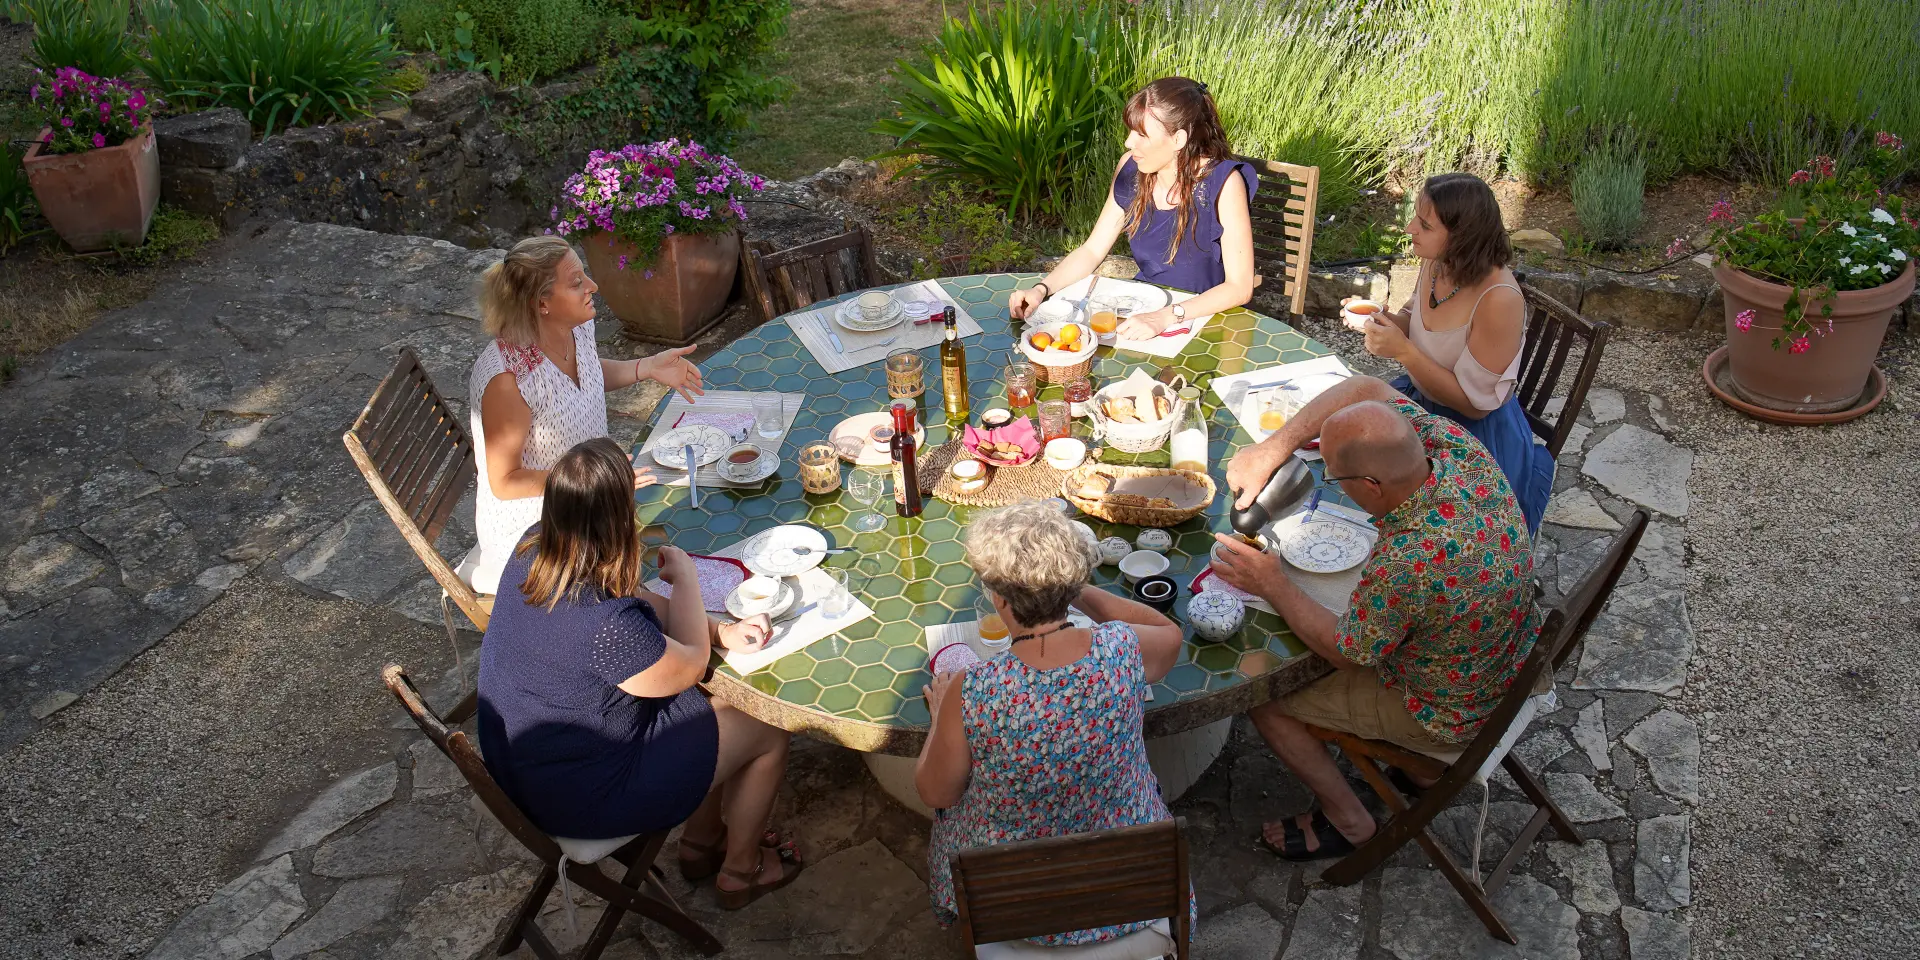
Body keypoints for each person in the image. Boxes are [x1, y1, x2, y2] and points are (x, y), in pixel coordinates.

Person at [1214, 375, 1539, 860]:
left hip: (1452, 711)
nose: (1329, 481)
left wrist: (1271, 583)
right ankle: (1424, 774)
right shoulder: (1455, 448)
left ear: (1370, 484)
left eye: (1334, 476)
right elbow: (1365, 386)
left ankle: (1349, 819)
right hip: (1512, 659)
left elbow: (1347, 651)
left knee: (1258, 686)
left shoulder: (1408, 560)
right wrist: (1273, 448)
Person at [477, 438, 803, 908]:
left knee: (721, 707)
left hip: (527, 767)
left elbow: (631, 597)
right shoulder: (606, 629)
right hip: (582, 793)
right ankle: (741, 871)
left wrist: (721, 631)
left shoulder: (538, 545)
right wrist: (687, 579)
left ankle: (700, 843)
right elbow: (688, 666)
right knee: (766, 722)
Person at [918, 500, 1194, 946]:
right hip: (1133, 882)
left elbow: (936, 792)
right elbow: (1169, 633)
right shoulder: (1120, 648)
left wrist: (938, 718)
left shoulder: (972, 690)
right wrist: (1073, 589)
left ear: (1000, 597)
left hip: (1013, 900)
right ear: (1072, 579)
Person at [459, 236, 706, 595]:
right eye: (576, 283)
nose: (593, 286)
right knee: (658, 590)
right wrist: (592, 482)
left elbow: (584, 376)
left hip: (592, 498)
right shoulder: (508, 381)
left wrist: (646, 367)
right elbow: (505, 481)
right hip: (540, 528)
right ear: (541, 302)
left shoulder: (576, 326)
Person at [1342, 172, 1553, 532]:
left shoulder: (1498, 298)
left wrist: (1403, 352)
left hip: (1475, 434)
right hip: (1422, 402)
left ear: (1462, 238)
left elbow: (1472, 403)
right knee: (1344, 460)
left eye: (1424, 224)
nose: (1410, 228)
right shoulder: (1438, 261)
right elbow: (1414, 316)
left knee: (1417, 525)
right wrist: (1380, 319)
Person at [1007, 77, 1256, 342]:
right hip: (1143, 313)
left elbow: (1239, 287)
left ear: (1178, 139)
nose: (1128, 142)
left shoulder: (1224, 184)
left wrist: (1165, 317)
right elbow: (1092, 250)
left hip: (1205, 321)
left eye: (1141, 134)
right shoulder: (1132, 169)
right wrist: (1041, 290)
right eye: (1130, 131)